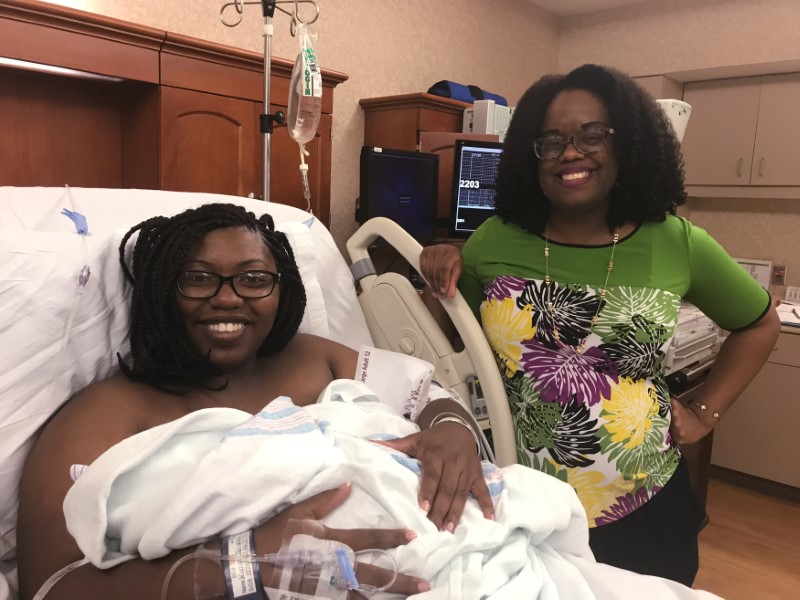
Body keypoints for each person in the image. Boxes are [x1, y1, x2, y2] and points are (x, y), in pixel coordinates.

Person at [419, 63, 780, 586]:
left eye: (593, 135)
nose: (570, 152)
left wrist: (705, 411)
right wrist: (436, 272)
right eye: (551, 140)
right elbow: (452, 345)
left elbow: (759, 324)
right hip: (524, 502)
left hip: (644, 510)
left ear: (628, 146)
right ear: (531, 155)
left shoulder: (677, 241)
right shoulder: (494, 240)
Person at [16, 203, 492, 599]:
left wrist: (451, 429)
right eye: (198, 279)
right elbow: (50, 584)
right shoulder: (102, 414)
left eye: (253, 278)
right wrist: (238, 564)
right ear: (163, 292)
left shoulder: (313, 359)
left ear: (281, 291)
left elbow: (427, 393)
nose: (228, 299)